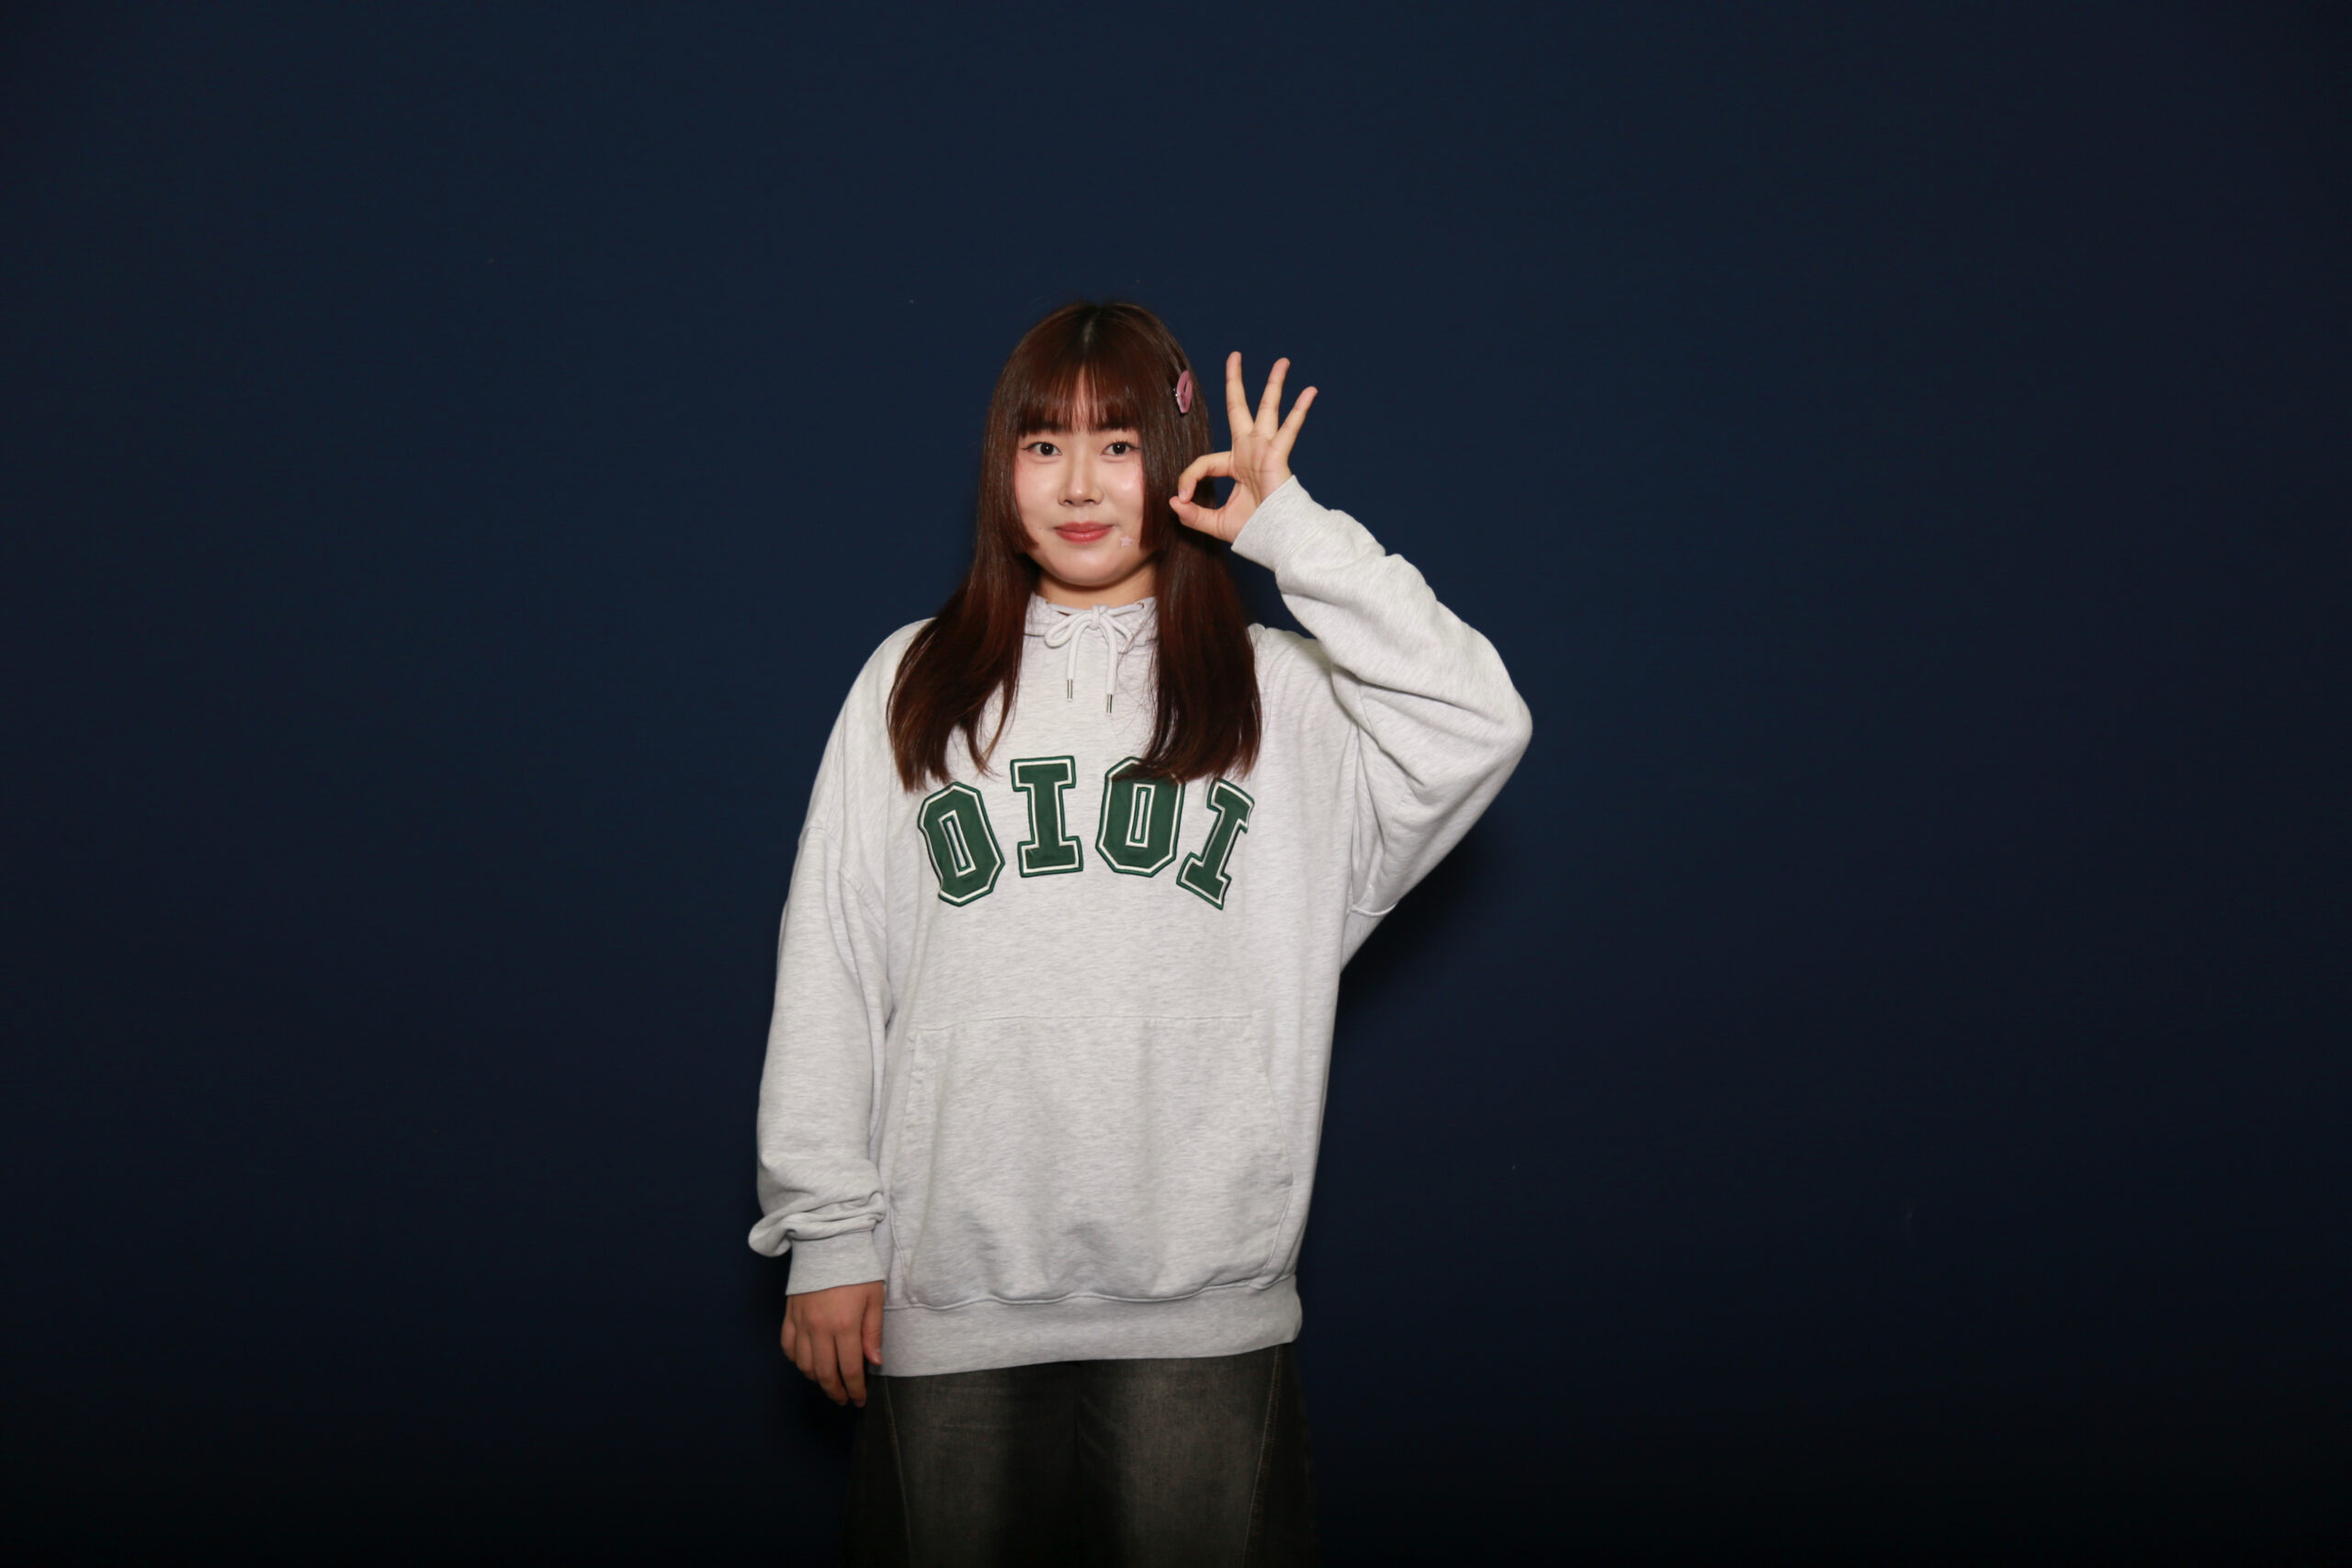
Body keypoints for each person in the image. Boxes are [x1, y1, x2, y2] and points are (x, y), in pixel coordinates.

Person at [750, 300, 1532, 1564]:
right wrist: (826, 1229)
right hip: (950, 1300)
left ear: (1169, 460)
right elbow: (832, 961)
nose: (1079, 484)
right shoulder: (914, 680)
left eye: (1117, 444)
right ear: (1001, 467)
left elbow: (1480, 722)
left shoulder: (1284, 695)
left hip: (1202, 1308)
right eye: (1043, 444)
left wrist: (1290, 531)